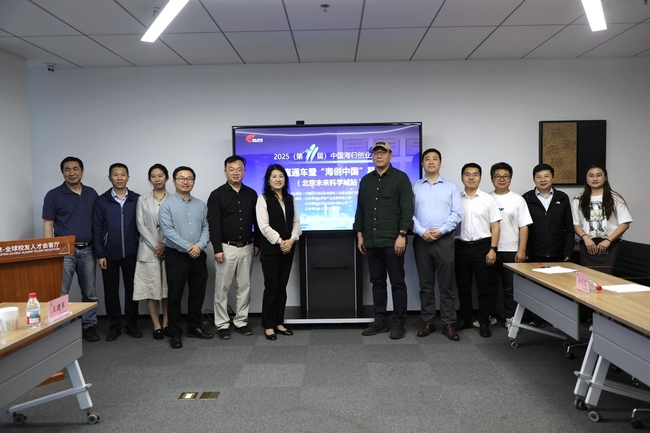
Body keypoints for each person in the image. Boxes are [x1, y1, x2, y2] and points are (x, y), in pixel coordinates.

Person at [353, 141, 414, 340]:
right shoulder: (366, 181)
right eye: (376, 153)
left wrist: (402, 235)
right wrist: (360, 235)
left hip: (393, 241)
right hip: (371, 240)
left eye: (383, 152)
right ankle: (380, 320)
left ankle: (399, 323)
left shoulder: (400, 178)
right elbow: (360, 210)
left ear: (390, 155)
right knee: (377, 282)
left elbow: (407, 208)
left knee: (397, 283)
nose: (379, 156)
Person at [42, 156, 100, 342]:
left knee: (90, 292)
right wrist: (50, 252)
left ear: (82, 171)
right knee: (60, 293)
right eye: (67, 169)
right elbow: (48, 224)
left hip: (88, 249)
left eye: (75, 169)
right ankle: (61, 330)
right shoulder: (53, 195)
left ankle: (89, 325)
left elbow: (97, 222)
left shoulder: (91, 193)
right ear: (62, 172)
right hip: (63, 251)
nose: (72, 173)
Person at [159, 166, 213, 349]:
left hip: (198, 255)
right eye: (181, 178)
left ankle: (194, 327)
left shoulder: (201, 205)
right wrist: (190, 247)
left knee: (197, 293)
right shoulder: (167, 205)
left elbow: (206, 228)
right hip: (176, 256)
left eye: (189, 178)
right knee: (175, 295)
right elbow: (168, 231)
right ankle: (174, 332)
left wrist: (199, 246)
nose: (185, 182)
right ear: (174, 182)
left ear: (193, 182)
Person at [412, 148, 462, 341]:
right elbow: (408, 213)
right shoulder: (415, 187)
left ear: (440, 163)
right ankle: (428, 321)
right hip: (421, 240)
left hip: (444, 240)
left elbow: (457, 213)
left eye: (435, 159)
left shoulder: (451, 187)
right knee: (425, 285)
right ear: (422, 163)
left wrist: (441, 230)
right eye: (427, 159)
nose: (431, 162)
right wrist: (421, 231)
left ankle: (449, 323)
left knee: (446, 285)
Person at [207, 155, 260, 340]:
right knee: (222, 288)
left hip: (247, 246)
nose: (235, 173)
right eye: (231, 169)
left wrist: (257, 243)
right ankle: (222, 324)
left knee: (244, 286)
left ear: (244, 172)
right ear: (225, 172)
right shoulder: (217, 195)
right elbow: (213, 224)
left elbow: (256, 221)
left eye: (239, 169)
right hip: (226, 247)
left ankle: (241, 322)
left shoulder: (251, 194)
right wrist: (217, 249)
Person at [93, 163, 141, 341]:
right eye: (115, 175)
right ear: (109, 178)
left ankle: (132, 325)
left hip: (132, 252)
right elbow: (97, 229)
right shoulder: (102, 200)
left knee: (132, 291)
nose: (119, 178)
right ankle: (114, 326)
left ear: (128, 177)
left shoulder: (136, 199)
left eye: (123, 174)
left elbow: (142, 225)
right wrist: (100, 254)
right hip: (109, 254)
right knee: (111, 292)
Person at [523, 163, 574, 327]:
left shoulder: (562, 197)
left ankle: (554, 319)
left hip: (557, 252)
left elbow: (569, 227)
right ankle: (536, 318)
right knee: (534, 288)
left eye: (546, 176)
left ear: (552, 178)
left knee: (557, 288)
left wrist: (568, 250)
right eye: (538, 177)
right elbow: (523, 227)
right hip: (534, 252)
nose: (542, 179)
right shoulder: (526, 198)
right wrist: (524, 250)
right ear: (534, 179)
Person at [454, 163, 501, 338]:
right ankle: (465, 319)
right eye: (467, 174)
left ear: (480, 178)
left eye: (475, 174)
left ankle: (484, 321)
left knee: (484, 288)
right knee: (463, 287)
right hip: (461, 247)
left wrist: (493, 249)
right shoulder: (456, 199)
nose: (471, 177)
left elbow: (495, 226)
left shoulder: (488, 199)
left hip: (483, 247)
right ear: (462, 178)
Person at [256, 164, 301, 341]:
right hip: (271, 250)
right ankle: (268, 325)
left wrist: (291, 240)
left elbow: (296, 223)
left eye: (281, 176)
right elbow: (263, 226)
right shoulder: (263, 199)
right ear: (268, 180)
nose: (278, 179)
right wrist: (280, 241)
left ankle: (279, 322)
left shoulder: (290, 199)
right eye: (274, 176)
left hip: (288, 249)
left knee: (282, 287)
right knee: (271, 287)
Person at [487, 162, 532, 328]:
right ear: (492, 178)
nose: (501, 179)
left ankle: (510, 318)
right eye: (498, 176)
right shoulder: (486, 198)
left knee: (510, 288)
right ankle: (489, 316)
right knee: (489, 286)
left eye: (505, 176)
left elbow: (524, 226)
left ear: (510, 179)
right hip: (490, 250)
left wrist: (522, 249)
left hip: (512, 250)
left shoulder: (518, 199)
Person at [133, 164, 171, 340]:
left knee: (168, 289)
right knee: (151, 289)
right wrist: (157, 245)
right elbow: (140, 224)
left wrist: (164, 244)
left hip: (169, 249)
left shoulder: (174, 198)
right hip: (148, 250)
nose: (157, 179)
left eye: (160, 175)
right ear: (150, 179)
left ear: (166, 177)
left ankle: (167, 323)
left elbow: (175, 226)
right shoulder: (142, 199)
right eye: (153, 176)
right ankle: (156, 325)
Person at [572, 165, 632, 273]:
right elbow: (575, 224)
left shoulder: (615, 198)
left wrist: (608, 240)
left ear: (605, 177)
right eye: (591, 176)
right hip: (588, 245)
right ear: (586, 178)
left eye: (599, 175)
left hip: (611, 245)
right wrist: (586, 238)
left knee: (608, 277)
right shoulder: (578, 199)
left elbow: (625, 223)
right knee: (587, 277)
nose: (595, 179)